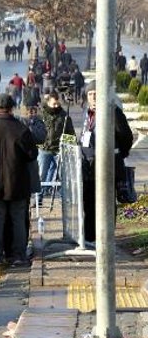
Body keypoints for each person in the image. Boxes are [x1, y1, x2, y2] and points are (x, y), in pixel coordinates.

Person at [0, 94, 38, 266]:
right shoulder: (21, 129)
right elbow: (32, 155)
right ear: (12, 107)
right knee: (18, 221)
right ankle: (18, 255)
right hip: (18, 183)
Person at [80, 84, 133, 243]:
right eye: (90, 94)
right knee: (89, 205)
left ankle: (106, 241)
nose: (94, 97)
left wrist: (118, 154)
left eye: (96, 93)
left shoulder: (113, 112)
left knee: (106, 205)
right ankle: (90, 239)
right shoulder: (87, 114)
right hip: (88, 168)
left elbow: (126, 137)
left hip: (107, 168)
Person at [38, 92, 75, 202]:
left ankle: (63, 198)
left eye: (58, 104)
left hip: (59, 150)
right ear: (48, 102)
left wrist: (72, 146)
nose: (56, 106)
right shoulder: (42, 115)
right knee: (42, 174)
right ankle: (39, 197)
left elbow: (70, 133)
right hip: (44, 149)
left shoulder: (64, 115)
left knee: (61, 175)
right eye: (54, 104)